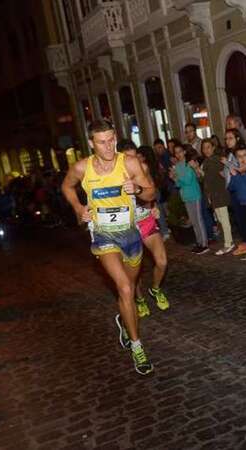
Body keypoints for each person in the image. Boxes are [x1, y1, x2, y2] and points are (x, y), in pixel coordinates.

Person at [61, 120, 157, 375]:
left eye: (111, 140)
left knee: (130, 288)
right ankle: (137, 347)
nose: (108, 146)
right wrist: (79, 208)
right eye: (102, 142)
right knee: (125, 288)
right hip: (104, 236)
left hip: (130, 234)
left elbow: (151, 193)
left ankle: (125, 323)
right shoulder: (82, 168)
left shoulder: (129, 163)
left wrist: (137, 188)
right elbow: (66, 186)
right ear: (91, 143)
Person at [117, 140, 170, 318]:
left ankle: (155, 289)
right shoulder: (114, 176)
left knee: (162, 261)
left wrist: (152, 205)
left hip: (146, 221)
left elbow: (151, 191)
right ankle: (139, 299)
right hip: (129, 226)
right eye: (129, 158)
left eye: (135, 156)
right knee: (134, 270)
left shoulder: (144, 169)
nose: (134, 162)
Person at [169, 142, 209, 254]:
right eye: (176, 153)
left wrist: (177, 177)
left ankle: (204, 243)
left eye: (180, 152)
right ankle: (199, 242)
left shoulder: (189, 163)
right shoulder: (177, 166)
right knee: (193, 221)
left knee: (198, 219)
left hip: (194, 194)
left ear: (184, 152)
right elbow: (178, 184)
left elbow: (188, 180)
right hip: (186, 195)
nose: (178, 154)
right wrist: (174, 179)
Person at [198, 138, 235, 255]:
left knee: (224, 220)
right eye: (204, 148)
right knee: (220, 219)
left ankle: (228, 244)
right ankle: (228, 242)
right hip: (214, 194)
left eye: (208, 147)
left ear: (213, 147)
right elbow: (206, 179)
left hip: (220, 193)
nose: (206, 150)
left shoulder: (216, 160)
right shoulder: (206, 161)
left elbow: (214, 177)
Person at [223, 128, 246, 256]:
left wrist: (228, 165)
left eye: (230, 138)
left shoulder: (239, 153)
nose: (227, 141)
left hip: (241, 188)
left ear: (237, 138)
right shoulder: (230, 153)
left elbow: (241, 169)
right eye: (226, 138)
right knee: (239, 218)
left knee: (244, 217)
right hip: (233, 188)